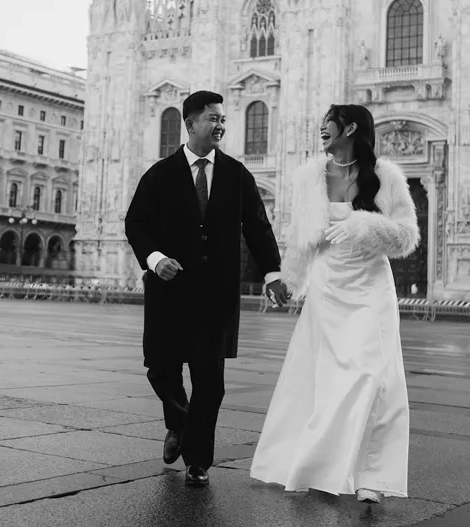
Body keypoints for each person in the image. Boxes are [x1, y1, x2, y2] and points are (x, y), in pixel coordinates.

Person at [250, 103, 418, 503]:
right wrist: (286, 280)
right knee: (324, 380)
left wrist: (365, 225)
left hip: (371, 284)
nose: (321, 128)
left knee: (372, 375)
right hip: (327, 284)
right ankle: (321, 467)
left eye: (328, 122)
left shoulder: (385, 176)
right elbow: (303, 237)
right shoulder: (310, 177)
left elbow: (407, 235)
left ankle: (371, 475)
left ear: (350, 128)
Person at [125, 90, 290, 487]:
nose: (219, 125)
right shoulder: (160, 174)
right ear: (191, 124)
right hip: (169, 291)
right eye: (212, 119)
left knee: (210, 382)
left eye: (223, 120)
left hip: (215, 296)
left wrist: (272, 273)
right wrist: (154, 258)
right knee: (161, 370)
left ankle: (198, 459)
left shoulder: (236, 174)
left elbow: (258, 227)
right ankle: (181, 425)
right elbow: (137, 225)